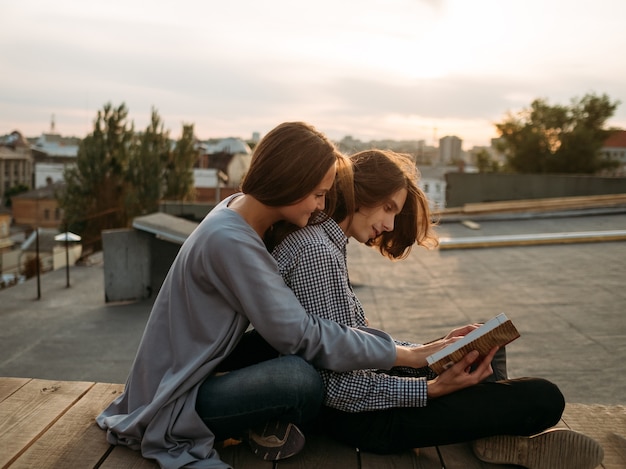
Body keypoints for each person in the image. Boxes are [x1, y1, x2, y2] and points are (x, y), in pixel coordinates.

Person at [96, 122, 464, 469]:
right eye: (319, 194)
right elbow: (302, 334)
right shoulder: (232, 242)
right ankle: (258, 422)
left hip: (189, 373)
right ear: (291, 182)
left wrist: (407, 351)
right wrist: (410, 357)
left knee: (286, 353)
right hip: (175, 397)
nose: (323, 207)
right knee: (299, 379)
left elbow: (299, 327)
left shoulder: (235, 211)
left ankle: (261, 423)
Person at [270, 149, 604, 469]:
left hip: (372, 391)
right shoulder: (316, 252)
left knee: (484, 347)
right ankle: (492, 436)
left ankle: (487, 432)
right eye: (388, 208)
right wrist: (430, 388)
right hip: (365, 419)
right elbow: (335, 386)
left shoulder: (326, 245)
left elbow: (355, 347)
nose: (388, 225)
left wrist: (435, 350)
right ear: (361, 191)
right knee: (544, 397)